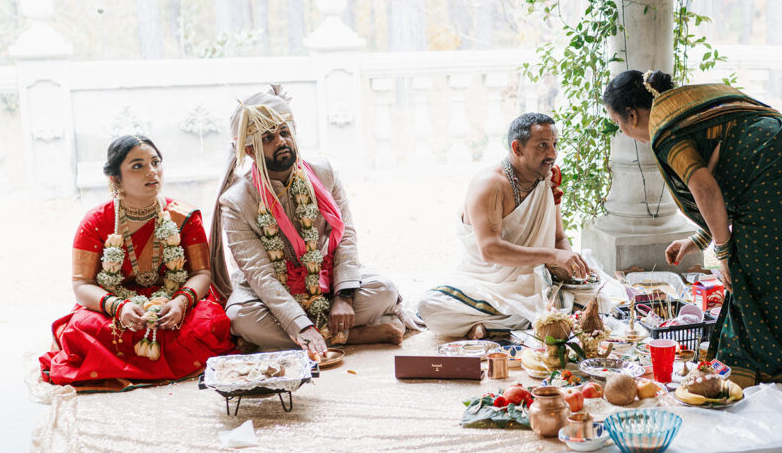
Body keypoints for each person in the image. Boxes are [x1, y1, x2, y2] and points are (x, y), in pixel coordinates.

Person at [603, 69, 782, 392]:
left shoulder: (664, 129)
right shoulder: (684, 107)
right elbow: (726, 172)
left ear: (631, 115)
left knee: (748, 279)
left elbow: (706, 188)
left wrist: (724, 254)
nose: (623, 131)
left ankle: (758, 378)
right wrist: (697, 239)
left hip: (776, 175)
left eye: (618, 124)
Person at [211, 85, 415, 356]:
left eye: (285, 132)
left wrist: (343, 297)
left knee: (385, 290)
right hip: (272, 296)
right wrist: (298, 324)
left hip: (327, 281)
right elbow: (260, 275)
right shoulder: (236, 201)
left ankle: (303, 338)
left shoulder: (324, 172)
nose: (282, 141)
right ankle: (352, 336)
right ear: (250, 149)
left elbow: (346, 237)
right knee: (239, 317)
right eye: (269, 137)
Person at [40, 136, 235, 388]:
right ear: (115, 179)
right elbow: (81, 285)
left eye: (155, 162)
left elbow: (201, 273)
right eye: (137, 165)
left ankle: (124, 366)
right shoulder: (96, 221)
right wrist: (118, 307)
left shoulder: (183, 216)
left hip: (172, 305)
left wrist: (180, 302)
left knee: (210, 321)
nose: (152, 171)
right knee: (82, 327)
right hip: (117, 309)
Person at [417, 113, 589, 340]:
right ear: (517, 148)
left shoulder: (548, 177)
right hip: (485, 283)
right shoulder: (489, 185)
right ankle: (532, 320)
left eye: (555, 145)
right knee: (432, 306)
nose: (553, 154)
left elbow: (558, 238)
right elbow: (490, 250)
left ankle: (490, 326)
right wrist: (552, 256)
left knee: (598, 294)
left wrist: (571, 263)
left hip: (534, 280)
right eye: (543, 145)